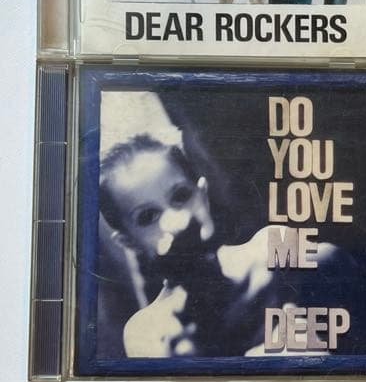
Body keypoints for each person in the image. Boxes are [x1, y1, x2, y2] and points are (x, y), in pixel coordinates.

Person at [97, 133, 349, 358]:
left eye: (181, 196)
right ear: (129, 241)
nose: (176, 220)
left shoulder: (265, 246)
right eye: (148, 216)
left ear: (202, 194)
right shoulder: (147, 327)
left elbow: (343, 266)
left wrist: (291, 271)